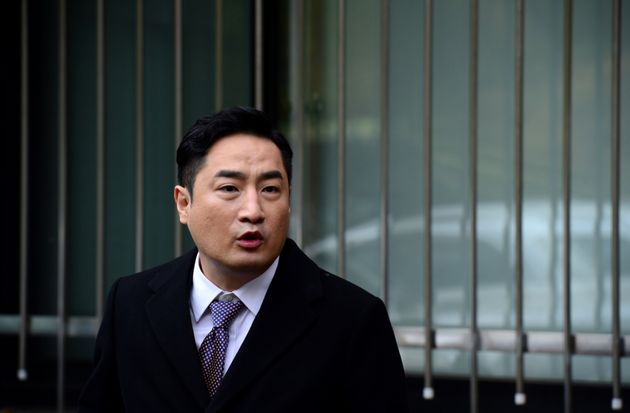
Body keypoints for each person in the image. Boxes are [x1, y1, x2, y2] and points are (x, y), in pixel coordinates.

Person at [78, 106, 409, 413]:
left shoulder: (352, 319)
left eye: (270, 189)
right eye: (229, 188)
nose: (253, 211)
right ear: (184, 203)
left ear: (289, 200)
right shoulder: (130, 303)